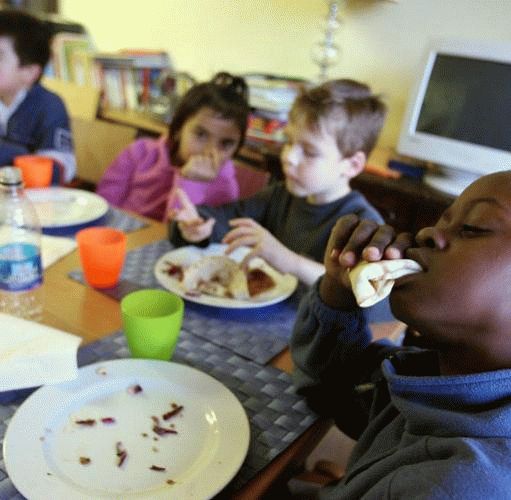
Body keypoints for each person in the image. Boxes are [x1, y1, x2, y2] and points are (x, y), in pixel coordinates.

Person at [289, 170, 511, 498]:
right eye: (441, 221)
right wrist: (339, 290)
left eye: (472, 227)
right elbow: (330, 390)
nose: (427, 233)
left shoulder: (457, 487)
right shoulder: (435, 381)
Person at [169, 79, 387, 289]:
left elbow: (367, 290)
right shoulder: (278, 196)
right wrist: (197, 227)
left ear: (352, 165)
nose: (289, 157)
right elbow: (224, 220)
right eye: (289, 141)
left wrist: (289, 261)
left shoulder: (364, 225)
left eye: (309, 152)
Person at [96, 72, 250, 221]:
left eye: (226, 144)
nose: (209, 151)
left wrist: (192, 181)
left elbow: (179, 234)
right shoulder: (139, 152)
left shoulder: (224, 184)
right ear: (178, 129)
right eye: (201, 135)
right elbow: (103, 206)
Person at [0, 9, 75, 183]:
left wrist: (11, 155)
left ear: (29, 73)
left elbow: (59, 170)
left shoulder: (50, 106)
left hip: (34, 202)